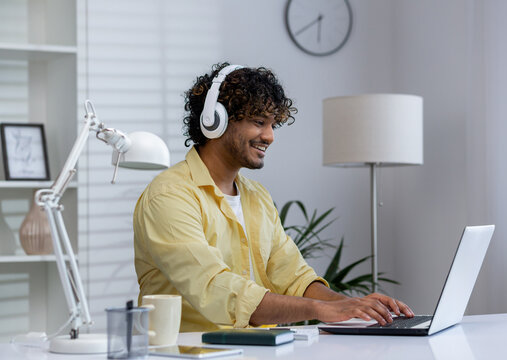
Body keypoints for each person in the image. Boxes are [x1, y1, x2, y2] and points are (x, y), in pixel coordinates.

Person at [133, 62, 414, 332]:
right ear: (214, 121)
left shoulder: (256, 196)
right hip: (186, 353)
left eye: (272, 125)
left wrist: (353, 306)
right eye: (259, 122)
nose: (269, 136)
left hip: (254, 348)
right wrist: (319, 310)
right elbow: (215, 288)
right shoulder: (169, 196)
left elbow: (292, 275)